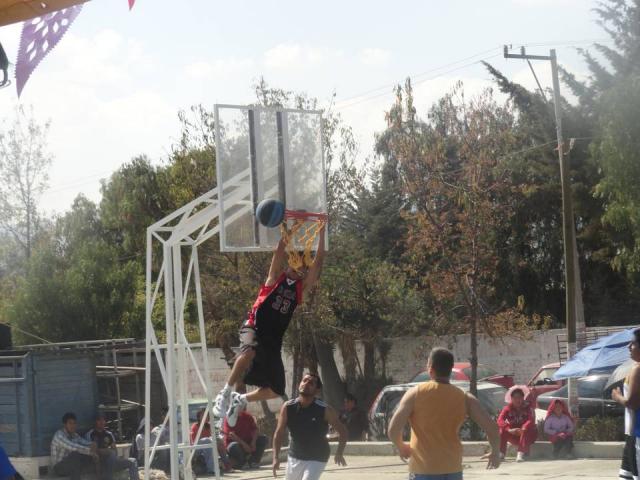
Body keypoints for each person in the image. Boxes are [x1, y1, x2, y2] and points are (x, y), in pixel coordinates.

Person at [214, 227, 326, 427]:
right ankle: (226, 392)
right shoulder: (274, 280)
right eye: (294, 264)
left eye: (301, 267)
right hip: (254, 326)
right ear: (289, 265)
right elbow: (279, 252)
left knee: (276, 389)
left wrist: (322, 233)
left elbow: (317, 266)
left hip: (273, 341)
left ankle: (241, 399)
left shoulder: (301, 290)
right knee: (248, 352)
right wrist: (290, 231)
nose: (297, 269)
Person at [388, 348, 500, 479]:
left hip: (423, 469)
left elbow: (393, 429)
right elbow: (492, 428)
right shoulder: (464, 398)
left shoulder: (415, 393)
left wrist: (401, 446)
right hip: (453, 469)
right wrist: (495, 453)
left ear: (430, 368)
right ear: (451, 368)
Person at [272, 373, 347, 480]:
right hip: (295, 456)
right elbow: (278, 433)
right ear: (299, 384)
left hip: (317, 457)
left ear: (317, 391)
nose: (306, 384)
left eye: (311, 383)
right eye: (304, 380)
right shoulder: (288, 407)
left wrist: (339, 453)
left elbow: (343, 431)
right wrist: (275, 457)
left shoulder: (325, 410)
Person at [612, 328, 640, 480]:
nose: (629, 346)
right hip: (632, 433)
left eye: (633, 343)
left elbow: (632, 403)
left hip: (637, 432)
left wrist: (617, 396)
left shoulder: (637, 368)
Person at [85, 413, 138, 480]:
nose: (102, 422)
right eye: (99, 420)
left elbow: (115, 451)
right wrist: (105, 451)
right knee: (110, 454)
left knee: (133, 461)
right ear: (95, 421)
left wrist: (109, 452)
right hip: (98, 462)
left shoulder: (109, 434)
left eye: (103, 420)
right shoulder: (90, 434)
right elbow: (91, 450)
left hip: (111, 460)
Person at [50, 412, 98, 480]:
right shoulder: (59, 435)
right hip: (59, 467)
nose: (73, 425)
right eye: (70, 423)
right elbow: (73, 447)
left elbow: (84, 442)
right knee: (75, 455)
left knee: (84, 457)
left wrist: (92, 444)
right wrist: (90, 452)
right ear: (64, 424)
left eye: (74, 423)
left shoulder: (74, 435)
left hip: (72, 464)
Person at [497, 387, 537, 462]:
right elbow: (500, 420)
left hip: (527, 434)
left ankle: (520, 454)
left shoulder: (528, 408)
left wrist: (523, 428)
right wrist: (509, 429)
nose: (517, 400)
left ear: (523, 398)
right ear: (511, 399)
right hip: (514, 433)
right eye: (515, 398)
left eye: (519, 397)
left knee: (526, 430)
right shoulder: (507, 408)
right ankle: (501, 453)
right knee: (502, 431)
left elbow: (530, 420)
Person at [190, 408, 231, 474]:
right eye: (203, 415)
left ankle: (227, 465)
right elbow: (194, 442)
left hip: (208, 449)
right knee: (207, 440)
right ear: (199, 417)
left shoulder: (209, 427)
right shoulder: (195, 426)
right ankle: (212, 469)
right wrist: (209, 439)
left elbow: (215, 437)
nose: (205, 417)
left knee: (218, 441)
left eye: (207, 415)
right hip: (195, 449)